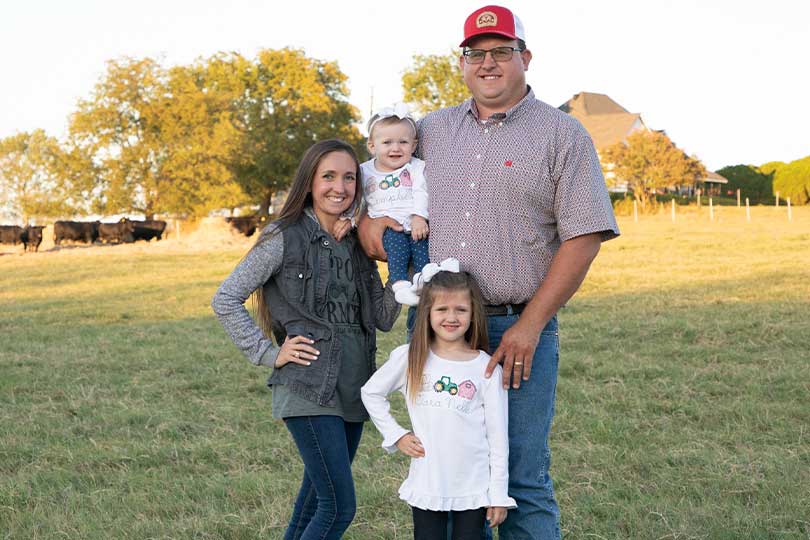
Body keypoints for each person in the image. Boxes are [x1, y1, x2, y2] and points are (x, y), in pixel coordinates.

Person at [358, 5, 620, 539]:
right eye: (476, 54)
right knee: (443, 468)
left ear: (525, 56)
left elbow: (585, 235)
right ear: (462, 63)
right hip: (434, 327)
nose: (489, 63)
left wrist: (531, 326)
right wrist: (375, 230)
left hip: (514, 328)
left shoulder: (561, 135)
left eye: (501, 51)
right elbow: (381, 196)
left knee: (520, 477)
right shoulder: (427, 131)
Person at [212, 139, 401, 540]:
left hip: (354, 386)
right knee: (338, 508)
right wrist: (268, 353)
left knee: (313, 506)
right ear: (310, 182)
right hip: (309, 386)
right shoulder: (284, 236)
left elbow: (383, 318)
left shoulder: (358, 242)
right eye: (328, 176)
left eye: (349, 177)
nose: (340, 187)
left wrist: (400, 262)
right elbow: (225, 298)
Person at [360, 261, 516, 540]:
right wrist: (396, 435)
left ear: (473, 314)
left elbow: (497, 437)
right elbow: (371, 393)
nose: (451, 317)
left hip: (473, 485)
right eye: (442, 309)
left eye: (461, 310)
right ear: (427, 313)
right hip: (429, 480)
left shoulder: (485, 368)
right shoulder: (412, 357)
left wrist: (498, 493)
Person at [362, 103, 430, 306]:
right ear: (372, 146)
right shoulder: (364, 171)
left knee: (422, 249)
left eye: (403, 142)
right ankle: (400, 285)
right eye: (387, 142)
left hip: (414, 222)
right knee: (397, 249)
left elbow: (421, 191)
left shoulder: (416, 167)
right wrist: (349, 219)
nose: (396, 148)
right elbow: (357, 198)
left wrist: (419, 216)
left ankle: (423, 281)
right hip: (387, 225)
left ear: (414, 145)